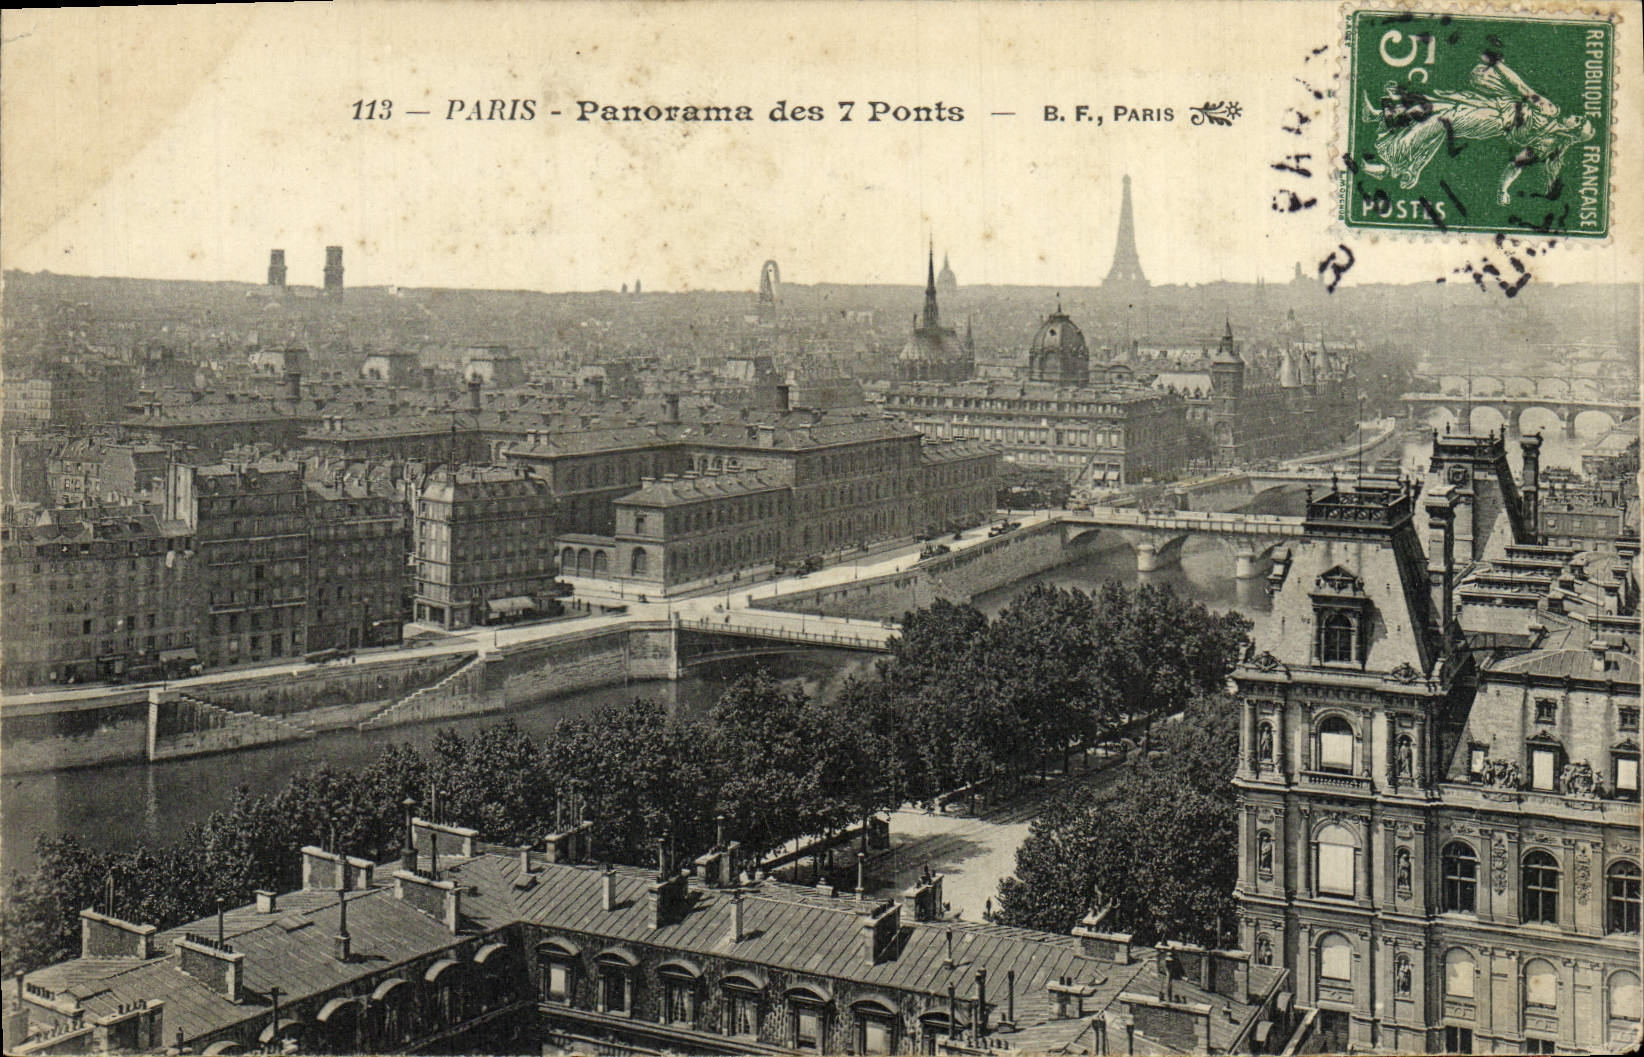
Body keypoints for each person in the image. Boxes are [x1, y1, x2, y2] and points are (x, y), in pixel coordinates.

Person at [1361, 57, 1595, 205]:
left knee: (1442, 120)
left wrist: (1503, 190)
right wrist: (1498, 65)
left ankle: (1390, 162)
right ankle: (1380, 116)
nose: (1576, 116)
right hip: (1491, 105)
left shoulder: (1546, 144)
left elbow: (1516, 165)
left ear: (1573, 131)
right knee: (1438, 103)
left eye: (1579, 120)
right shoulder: (1550, 109)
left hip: (1491, 122)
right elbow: (1522, 88)